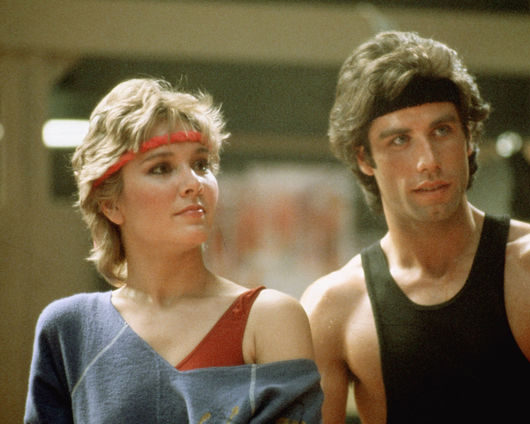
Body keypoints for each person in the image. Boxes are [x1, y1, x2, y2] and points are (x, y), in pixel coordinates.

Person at [301, 31, 530, 423]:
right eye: (400, 140)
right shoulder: (333, 308)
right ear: (364, 158)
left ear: (468, 139)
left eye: (441, 131)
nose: (428, 160)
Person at [25, 78, 322, 423]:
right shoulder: (70, 328)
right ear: (111, 204)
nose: (194, 183)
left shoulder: (269, 318)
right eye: (161, 168)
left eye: (201, 164)